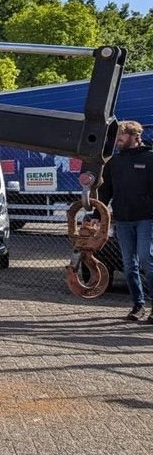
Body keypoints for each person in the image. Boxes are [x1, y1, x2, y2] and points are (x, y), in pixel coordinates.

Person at [98, 121, 153, 321]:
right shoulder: (114, 162)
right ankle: (138, 305)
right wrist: (96, 216)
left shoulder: (150, 158)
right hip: (123, 221)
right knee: (129, 265)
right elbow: (105, 192)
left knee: (146, 260)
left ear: (134, 136)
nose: (117, 140)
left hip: (146, 220)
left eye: (121, 136)